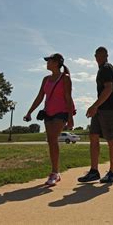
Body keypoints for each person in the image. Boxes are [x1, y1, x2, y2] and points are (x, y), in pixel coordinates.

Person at [24, 53, 74, 186]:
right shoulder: (46, 79)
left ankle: (55, 172)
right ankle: (55, 171)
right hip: (48, 113)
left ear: (57, 62)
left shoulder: (65, 78)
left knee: (52, 138)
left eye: (49, 61)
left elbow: (68, 98)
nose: (47, 63)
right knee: (51, 141)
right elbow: (40, 97)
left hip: (61, 112)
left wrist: (70, 118)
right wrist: (29, 112)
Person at [78, 46, 113, 183]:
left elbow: (109, 89)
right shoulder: (103, 69)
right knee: (93, 136)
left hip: (111, 108)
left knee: (110, 140)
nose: (98, 57)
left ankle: (112, 172)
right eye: (96, 55)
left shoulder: (106, 68)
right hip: (101, 109)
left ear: (106, 55)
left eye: (101, 54)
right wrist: (97, 107)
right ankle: (94, 171)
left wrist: (94, 106)